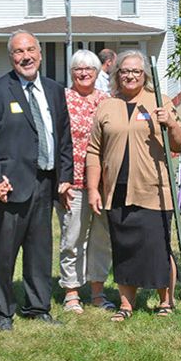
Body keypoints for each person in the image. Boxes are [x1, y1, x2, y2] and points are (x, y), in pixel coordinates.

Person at [0, 31, 73, 331]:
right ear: (11, 57)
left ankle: (38, 306)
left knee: (40, 250)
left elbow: (64, 137)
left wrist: (65, 177)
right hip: (9, 186)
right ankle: (2, 311)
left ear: (40, 54)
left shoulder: (55, 90)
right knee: (5, 252)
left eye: (31, 50)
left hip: (46, 183)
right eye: (19, 52)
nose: (25, 56)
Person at [86, 50, 181, 322]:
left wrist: (169, 123)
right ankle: (126, 304)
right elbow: (94, 151)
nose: (130, 76)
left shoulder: (160, 103)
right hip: (117, 189)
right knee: (124, 248)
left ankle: (166, 300)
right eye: (124, 71)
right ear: (116, 75)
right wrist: (93, 188)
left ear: (145, 75)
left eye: (136, 71)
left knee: (157, 246)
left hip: (154, 188)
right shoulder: (107, 106)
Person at [57, 49, 113, 313]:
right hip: (73, 183)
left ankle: (98, 291)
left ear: (97, 72)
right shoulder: (62, 99)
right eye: (78, 69)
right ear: (71, 73)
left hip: (103, 183)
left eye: (88, 69)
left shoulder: (106, 100)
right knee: (73, 237)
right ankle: (71, 292)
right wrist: (62, 180)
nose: (83, 73)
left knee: (101, 238)